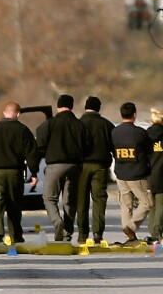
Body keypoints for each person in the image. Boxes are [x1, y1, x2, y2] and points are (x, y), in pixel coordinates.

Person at [0, 102, 40, 243]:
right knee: (15, 204)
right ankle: (16, 235)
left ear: (4, 112)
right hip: (15, 173)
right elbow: (32, 153)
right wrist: (34, 172)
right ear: (18, 114)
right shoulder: (23, 130)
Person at [36, 94, 89, 242]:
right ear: (72, 106)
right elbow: (87, 146)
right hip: (74, 167)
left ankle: (57, 221)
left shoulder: (50, 123)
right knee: (69, 201)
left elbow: (40, 140)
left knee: (49, 198)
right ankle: (67, 233)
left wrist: (43, 153)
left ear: (58, 106)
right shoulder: (80, 125)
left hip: (54, 166)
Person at [112, 102, 153, 243]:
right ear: (134, 115)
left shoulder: (114, 132)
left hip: (120, 174)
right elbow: (150, 149)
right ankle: (130, 226)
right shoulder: (139, 132)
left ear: (121, 114)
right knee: (148, 203)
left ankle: (128, 231)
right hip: (137, 174)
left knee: (126, 204)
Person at [76, 96, 115, 244]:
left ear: (86, 107)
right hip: (101, 166)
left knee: (81, 201)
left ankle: (82, 235)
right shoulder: (106, 124)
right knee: (99, 200)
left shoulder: (78, 124)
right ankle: (98, 234)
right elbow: (114, 146)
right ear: (99, 108)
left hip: (81, 167)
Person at [147, 108, 163, 243]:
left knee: (152, 205)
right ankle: (158, 230)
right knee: (161, 204)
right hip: (162, 174)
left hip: (148, 174)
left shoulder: (145, 136)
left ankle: (152, 230)